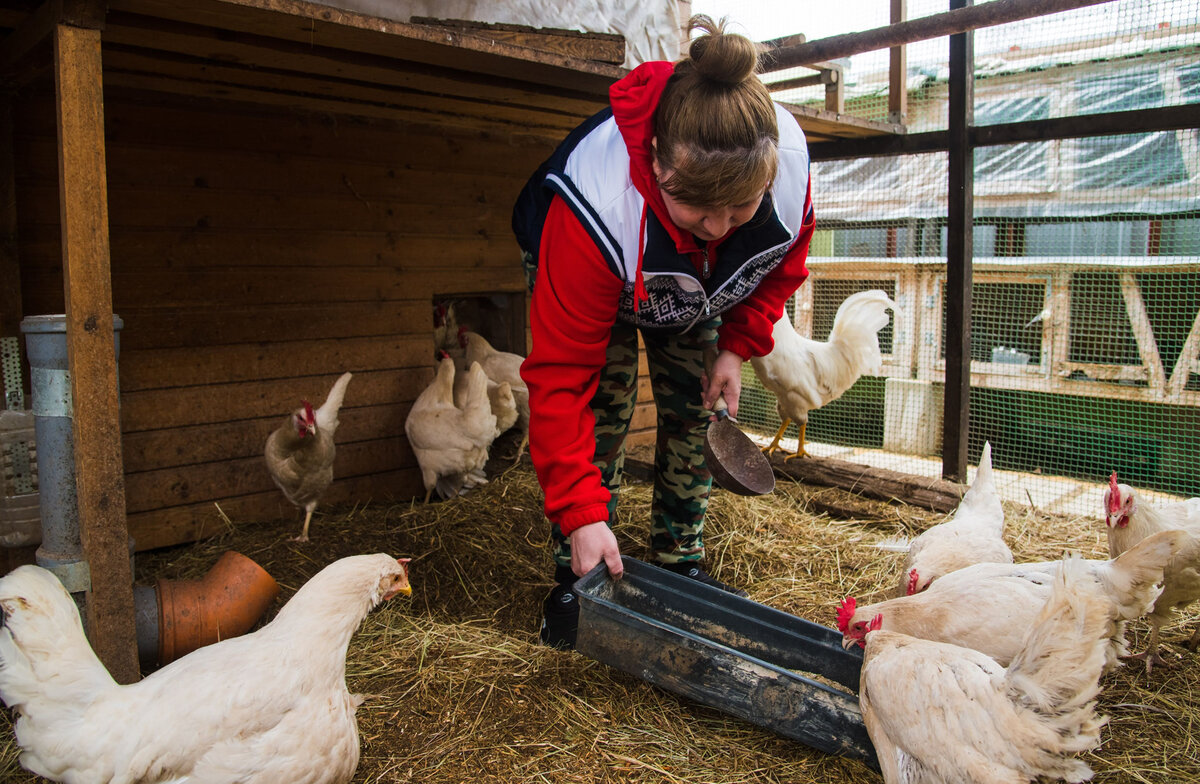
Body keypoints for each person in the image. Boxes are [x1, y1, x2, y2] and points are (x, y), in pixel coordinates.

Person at [511, 15, 814, 649]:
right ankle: (581, 573)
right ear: (656, 165)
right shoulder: (594, 203)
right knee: (604, 409)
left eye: (741, 209)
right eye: (700, 208)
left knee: (696, 407)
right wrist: (581, 512)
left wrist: (737, 342)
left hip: (691, 287)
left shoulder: (785, 166)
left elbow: (784, 261)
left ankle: (681, 563)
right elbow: (561, 380)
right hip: (607, 273)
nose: (720, 226)